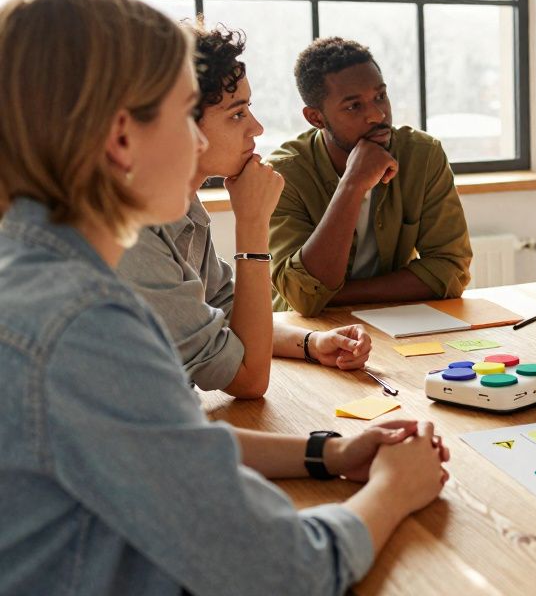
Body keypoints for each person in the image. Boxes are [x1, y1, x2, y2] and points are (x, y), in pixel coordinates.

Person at [0, 0, 450, 594]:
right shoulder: (86, 322)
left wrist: (330, 452)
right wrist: (396, 489)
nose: (253, 130)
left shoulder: (38, 275)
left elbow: (168, 444)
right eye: (187, 111)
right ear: (121, 138)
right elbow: (285, 570)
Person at [117, 23, 373, 399]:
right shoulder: (132, 231)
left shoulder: (183, 204)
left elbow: (225, 311)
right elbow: (246, 379)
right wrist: (252, 223)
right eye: (237, 115)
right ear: (178, 126)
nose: (256, 128)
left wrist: (311, 342)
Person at [268, 37, 472, 317]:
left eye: (380, 96)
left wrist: (333, 295)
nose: (378, 115)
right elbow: (301, 297)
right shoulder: (282, 175)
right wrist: (352, 184)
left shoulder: (422, 156)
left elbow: (450, 271)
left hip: (399, 321)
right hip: (307, 332)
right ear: (316, 118)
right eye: (354, 106)